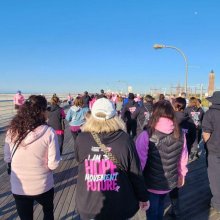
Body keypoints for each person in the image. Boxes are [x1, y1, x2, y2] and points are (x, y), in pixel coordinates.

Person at [74, 98, 150, 220]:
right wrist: (143, 197)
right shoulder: (124, 139)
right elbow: (136, 173)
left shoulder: (81, 138)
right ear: (115, 115)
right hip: (119, 204)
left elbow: (79, 160)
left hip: (89, 203)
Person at [4, 95, 60, 220]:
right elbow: (54, 164)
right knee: (48, 213)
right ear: (42, 111)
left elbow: (7, 158)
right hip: (43, 185)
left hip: (19, 186)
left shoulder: (12, 130)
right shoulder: (49, 132)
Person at [136, 100, 188, 220]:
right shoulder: (180, 133)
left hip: (150, 183)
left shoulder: (146, 134)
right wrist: (182, 175)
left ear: (155, 113)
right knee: (159, 205)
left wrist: (137, 184)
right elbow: (183, 158)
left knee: (152, 211)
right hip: (170, 181)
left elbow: (139, 163)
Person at [169, 97, 196, 218]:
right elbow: (193, 138)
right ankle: (176, 209)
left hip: (167, 154)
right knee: (175, 182)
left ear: (174, 106)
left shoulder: (168, 119)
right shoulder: (190, 122)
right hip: (182, 155)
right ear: (185, 106)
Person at [202, 91, 220, 213]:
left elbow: (206, 133)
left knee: (215, 177)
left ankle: (217, 203)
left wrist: (206, 145)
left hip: (214, 150)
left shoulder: (209, 113)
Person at [184, 97, 204, 161]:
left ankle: (189, 154)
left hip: (188, 128)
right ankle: (194, 153)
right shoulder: (200, 109)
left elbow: (183, 118)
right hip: (197, 128)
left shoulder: (187, 109)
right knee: (196, 141)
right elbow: (202, 119)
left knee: (188, 141)